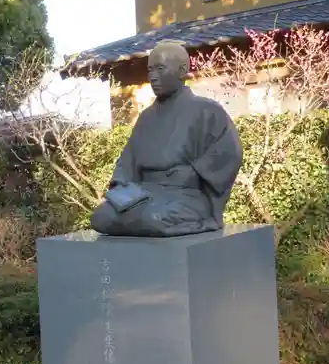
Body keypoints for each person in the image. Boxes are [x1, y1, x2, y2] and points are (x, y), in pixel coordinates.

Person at [90, 41, 243, 237]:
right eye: (150, 70)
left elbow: (229, 152)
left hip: (185, 194)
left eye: (160, 69)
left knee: (152, 219)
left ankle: (195, 220)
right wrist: (122, 187)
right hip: (142, 195)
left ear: (182, 70)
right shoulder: (146, 117)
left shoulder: (207, 111)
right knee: (101, 217)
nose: (153, 76)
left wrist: (194, 174)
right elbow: (128, 160)